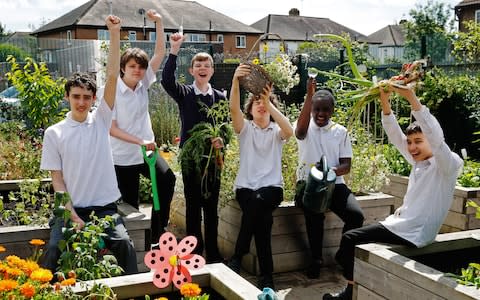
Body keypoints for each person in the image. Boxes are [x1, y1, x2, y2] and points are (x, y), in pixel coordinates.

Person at [323, 83, 464, 299]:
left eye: (418, 141)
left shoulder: (447, 165)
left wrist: (412, 98)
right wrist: (384, 98)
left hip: (415, 231)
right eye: (410, 142)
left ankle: (350, 294)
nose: (412, 147)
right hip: (402, 224)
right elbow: (394, 135)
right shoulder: (419, 162)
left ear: (431, 142)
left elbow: (436, 138)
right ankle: (353, 288)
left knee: (350, 240)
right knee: (347, 249)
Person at [40, 15, 138, 274]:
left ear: (94, 98)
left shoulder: (101, 120)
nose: (81, 102)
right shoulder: (54, 133)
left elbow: (112, 77)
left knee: (125, 244)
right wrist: (70, 213)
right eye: (76, 97)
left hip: (104, 208)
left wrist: (114, 33)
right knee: (53, 249)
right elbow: (57, 181)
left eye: (86, 97)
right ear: (67, 97)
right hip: (70, 208)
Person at [107, 9, 175, 246]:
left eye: (141, 67)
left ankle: (157, 234)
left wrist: (159, 22)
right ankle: (132, 251)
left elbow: (159, 52)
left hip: (147, 151)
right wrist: (140, 141)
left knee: (167, 180)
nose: (138, 70)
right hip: (122, 157)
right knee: (131, 207)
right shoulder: (113, 90)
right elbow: (111, 129)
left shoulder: (144, 82)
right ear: (123, 67)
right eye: (133, 66)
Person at [227, 65, 293, 290]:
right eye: (256, 102)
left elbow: (290, 131)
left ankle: (238, 256)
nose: (261, 106)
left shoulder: (276, 131)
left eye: (264, 103)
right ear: (250, 109)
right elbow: (234, 110)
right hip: (246, 189)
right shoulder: (245, 129)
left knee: (258, 205)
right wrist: (235, 82)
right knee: (263, 221)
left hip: (272, 188)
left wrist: (269, 103)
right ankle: (267, 276)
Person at [161, 32, 226, 263]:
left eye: (206, 64)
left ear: (212, 70)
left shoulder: (219, 97)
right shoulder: (185, 94)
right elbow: (166, 81)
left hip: (213, 159)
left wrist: (222, 141)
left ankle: (214, 253)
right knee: (193, 206)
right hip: (191, 160)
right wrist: (174, 50)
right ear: (191, 71)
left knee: (211, 207)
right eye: (197, 64)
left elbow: (225, 127)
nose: (202, 67)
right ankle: (194, 251)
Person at [294, 78, 364, 279]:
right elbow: (298, 133)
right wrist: (309, 94)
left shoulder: (340, 132)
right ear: (311, 110)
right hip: (308, 185)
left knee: (355, 216)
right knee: (314, 214)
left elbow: (346, 165)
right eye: (317, 109)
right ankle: (316, 260)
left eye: (325, 110)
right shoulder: (306, 128)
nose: (321, 114)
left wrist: (329, 172)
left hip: (334, 184)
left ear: (332, 110)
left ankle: (344, 254)